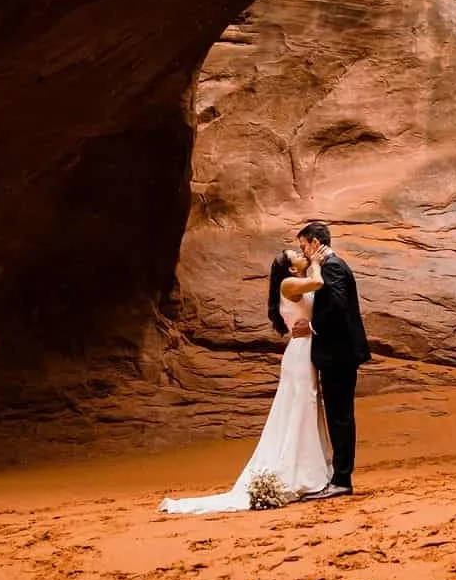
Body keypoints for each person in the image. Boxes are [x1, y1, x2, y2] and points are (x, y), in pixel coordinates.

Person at [158, 247, 332, 514]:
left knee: (304, 406)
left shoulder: (295, 282)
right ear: (290, 268)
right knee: (302, 406)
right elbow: (318, 283)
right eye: (296, 255)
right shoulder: (288, 283)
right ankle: (304, 473)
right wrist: (317, 263)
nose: (301, 254)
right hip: (300, 353)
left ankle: (311, 467)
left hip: (305, 348)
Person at [295, 220, 369, 499]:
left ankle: (341, 480)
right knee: (339, 416)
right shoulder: (329, 266)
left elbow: (337, 306)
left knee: (340, 417)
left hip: (339, 355)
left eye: (303, 246)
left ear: (315, 243)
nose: (303, 252)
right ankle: (339, 477)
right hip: (338, 354)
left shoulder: (333, 267)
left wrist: (311, 327)